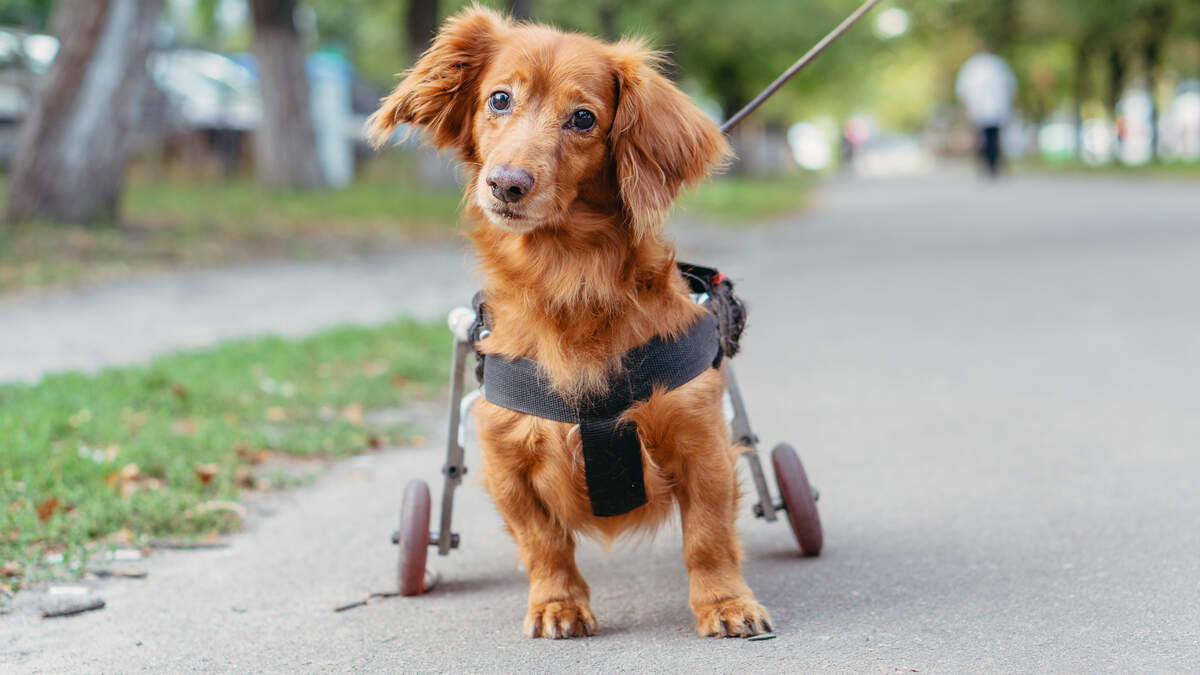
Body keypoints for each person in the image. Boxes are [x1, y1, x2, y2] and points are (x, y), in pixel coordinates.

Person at [955, 50, 1017, 177]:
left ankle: (989, 164)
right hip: (992, 109)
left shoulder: (973, 66)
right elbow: (1011, 86)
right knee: (991, 139)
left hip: (983, 109)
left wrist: (965, 107)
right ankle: (990, 164)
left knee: (984, 139)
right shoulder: (999, 65)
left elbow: (963, 89)